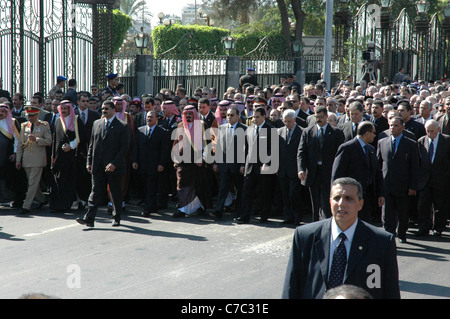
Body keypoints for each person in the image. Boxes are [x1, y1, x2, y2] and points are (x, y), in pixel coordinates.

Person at [282, 177, 401, 299]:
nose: (341, 203)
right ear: (330, 202)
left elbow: (390, 291)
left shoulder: (382, 242)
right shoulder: (305, 236)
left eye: (348, 198)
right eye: (336, 198)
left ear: (360, 204)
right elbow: (291, 286)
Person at [76, 100, 130, 227]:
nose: (104, 111)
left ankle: (116, 217)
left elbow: (125, 148)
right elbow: (92, 144)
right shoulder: (97, 123)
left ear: (113, 110)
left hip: (113, 167)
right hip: (98, 165)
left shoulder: (122, 126)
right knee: (95, 193)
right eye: (103, 109)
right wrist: (89, 161)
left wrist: (114, 163)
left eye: (107, 108)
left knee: (115, 193)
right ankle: (89, 218)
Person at [377, 116, 419, 243]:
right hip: (387, 185)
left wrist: (413, 186)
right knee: (387, 213)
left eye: (395, 125)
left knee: (403, 212)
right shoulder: (382, 142)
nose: (392, 128)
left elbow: (415, 167)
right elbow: (378, 165)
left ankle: (402, 233)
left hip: (403, 185)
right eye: (390, 125)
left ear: (402, 127)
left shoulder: (411, 144)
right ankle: (389, 235)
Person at [332, 121, 384, 223]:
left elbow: (377, 173)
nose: (375, 135)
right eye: (373, 133)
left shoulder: (371, 149)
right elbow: (337, 174)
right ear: (367, 133)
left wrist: (380, 193)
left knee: (365, 223)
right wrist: (337, 194)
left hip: (367, 196)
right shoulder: (347, 148)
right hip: (351, 195)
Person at [298, 106, 344, 221]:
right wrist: (301, 169)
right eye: (316, 117)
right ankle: (315, 222)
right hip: (313, 171)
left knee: (326, 200)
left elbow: (340, 154)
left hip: (328, 172)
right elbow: (301, 152)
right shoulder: (307, 132)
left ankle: (327, 222)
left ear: (326, 116)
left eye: (321, 117)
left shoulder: (336, 132)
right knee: (315, 201)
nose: (318, 119)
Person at [236, 107, 276, 224]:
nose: (255, 119)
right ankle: (244, 216)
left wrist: (267, 163)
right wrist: (243, 164)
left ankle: (264, 216)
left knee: (265, 192)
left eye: (257, 117)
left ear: (264, 116)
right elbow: (246, 148)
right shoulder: (249, 129)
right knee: (246, 192)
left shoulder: (271, 129)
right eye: (254, 116)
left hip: (264, 167)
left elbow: (272, 149)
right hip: (250, 166)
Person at [171, 104, 212, 217]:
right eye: (186, 114)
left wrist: (203, 158)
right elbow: (176, 144)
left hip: (198, 162)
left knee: (199, 185)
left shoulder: (202, 125)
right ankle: (182, 209)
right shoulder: (180, 125)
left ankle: (200, 207)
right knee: (182, 185)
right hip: (184, 161)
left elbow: (207, 144)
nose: (188, 115)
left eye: (190, 113)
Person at [211, 106, 247, 220]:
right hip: (224, 165)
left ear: (238, 116)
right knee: (222, 189)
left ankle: (239, 212)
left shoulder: (245, 129)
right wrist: (216, 162)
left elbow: (246, 150)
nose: (229, 117)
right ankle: (218, 211)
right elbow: (218, 147)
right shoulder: (222, 128)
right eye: (227, 115)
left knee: (239, 190)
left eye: (232, 115)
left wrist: (242, 165)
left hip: (237, 166)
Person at [416, 120, 450, 237]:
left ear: (438, 129)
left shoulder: (446, 141)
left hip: (441, 179)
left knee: (440, 206)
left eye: (432, 131)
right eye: (428, 131)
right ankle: (423, 227)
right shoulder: (421, 141)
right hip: (425, 180)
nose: (430, 133)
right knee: (423, 205)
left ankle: (438, 228)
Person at [49, 100, 85, 212]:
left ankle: (72, 203)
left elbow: (82, 137)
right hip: (60, 157)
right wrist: (53, 156)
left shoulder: (76, 119)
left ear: (70, 109)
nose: (64, 111)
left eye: (66, 108)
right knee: (59, 180)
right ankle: (58, 205)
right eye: (62, 109)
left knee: (72, 180)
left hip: (73, 156)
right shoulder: (59, 120)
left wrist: (71, 146)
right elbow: (56, 139)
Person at [15, 105, 52, 214]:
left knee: (32, 183)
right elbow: (20, 144)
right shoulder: (24, 126)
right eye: (28, 116)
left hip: (38, 159)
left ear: (37, 115)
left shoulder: (44, 125)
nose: (30, 118)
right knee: (33, 183)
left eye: (32, 115)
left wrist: (37, 139)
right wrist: (18, 159)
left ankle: (26, 206)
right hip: (27, 158)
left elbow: (49, 141)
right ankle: (42, 199)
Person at [132, 110, 169, 217]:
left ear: (156, 119)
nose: (149, 119)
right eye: (148, 117)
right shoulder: (140, 130)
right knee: (144, 186)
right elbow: (136, 147)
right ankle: (151, 205)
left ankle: (147, 208)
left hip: (154, 164)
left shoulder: (161, 132)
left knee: (151, 186)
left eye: (151, 117)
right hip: (142, 164)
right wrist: (134, 160)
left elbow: (163, 150)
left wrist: (161, 163)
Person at [277, 109, 303, 225]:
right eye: (285, 121)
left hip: (295, 169)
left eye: (289, 121)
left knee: (294, 194)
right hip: (282, 169)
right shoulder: (279, 131)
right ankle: (288, 216)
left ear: (295, 120)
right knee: (285, 194)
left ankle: (297, 216)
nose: (287, 124)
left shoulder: (302, 132)